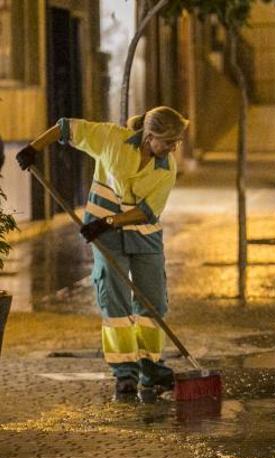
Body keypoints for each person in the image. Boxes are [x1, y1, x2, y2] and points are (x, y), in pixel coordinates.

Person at [16, 107, 189, 401]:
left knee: (153, 301)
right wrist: (34, 148)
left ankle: (151, 367)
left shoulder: (166, 167)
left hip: (142, 236)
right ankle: (125, 373)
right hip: (105, 237)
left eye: (176, 142)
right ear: (149, 137)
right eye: (169, 142)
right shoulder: (111, 139)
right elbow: (67, 127)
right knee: (115, 300)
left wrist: (107, 221)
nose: (173, 148)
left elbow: (147, 212)